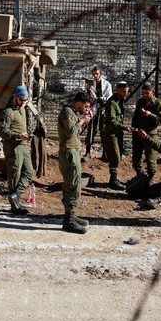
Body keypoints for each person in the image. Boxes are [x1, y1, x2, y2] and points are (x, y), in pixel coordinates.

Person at [58, 92, 93, 234]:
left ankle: (71, 215)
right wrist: (82, 121)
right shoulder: (67, 112)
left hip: (74, 152)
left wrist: (84, 122)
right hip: (68, 155)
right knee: (72, 185)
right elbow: (71, 131)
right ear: (78, 103)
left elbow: (76, 134)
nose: (86, 109)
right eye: (85, 106)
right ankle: (68, 220)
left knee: (75, 183)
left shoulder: (73, 113)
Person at [0, 85, 34, 215]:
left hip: (23, 146)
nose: (23, 102)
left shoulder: (22, 109)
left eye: (25, 100)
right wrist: (17, 136)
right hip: (13, 147)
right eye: (21, 100)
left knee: (29, 172)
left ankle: (15, 195)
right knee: (14, 175)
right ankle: (15, 206)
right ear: (15, 97)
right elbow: (2, 131)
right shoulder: (8, 112)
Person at [130, 82, 161, 184]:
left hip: (150, 135)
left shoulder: (158, 104)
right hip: (138, 134)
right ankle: (140, 176)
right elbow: (135, 117)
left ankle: (150, 178)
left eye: (147, 93)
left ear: (152, 92)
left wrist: (150, 115)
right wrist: (134, 130)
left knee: (151, 158)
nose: (145, 95)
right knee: (136, 158)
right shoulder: (140, 102)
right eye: (143, 93)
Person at [100, 81, 129, 190]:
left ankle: (115, 178)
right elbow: (111, 121)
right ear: (117, 90)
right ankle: (112, 180)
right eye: (123, 92)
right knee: (115, 156)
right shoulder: (112, 103)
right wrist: (124, 127)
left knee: (119, 154)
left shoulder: (121, 101)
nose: (125, 94)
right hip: (111, 132)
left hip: (118, 132)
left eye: (126, 91)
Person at [83, 66, 112, 162]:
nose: (95, 76)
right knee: (91, 130)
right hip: (94, 110)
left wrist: (101, 99)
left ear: (101, 74)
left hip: (103, 110)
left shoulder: (107, 85)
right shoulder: (91, 85)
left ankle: (105, 153)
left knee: (103, 131)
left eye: (97, 74)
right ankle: (87, 152)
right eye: (93, 74)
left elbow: (109, 98)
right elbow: (88, 98)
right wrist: (88, 89)